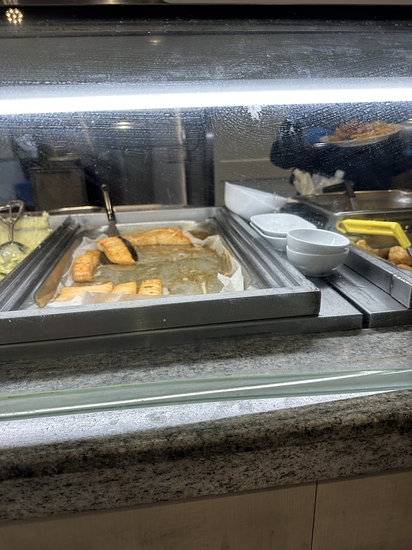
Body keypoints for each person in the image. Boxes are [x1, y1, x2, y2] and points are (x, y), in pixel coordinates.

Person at [270, 102, 412, 192]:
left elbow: (397, 162)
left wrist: (407, 152)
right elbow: (281, 158)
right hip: (319, 196)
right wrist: (307, 144)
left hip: (375, 195)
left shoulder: (385, 102)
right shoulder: (310, 105)